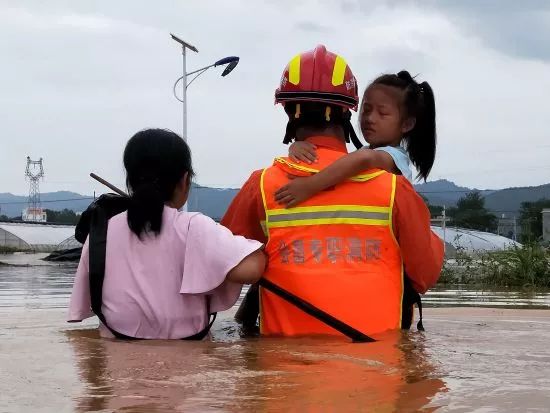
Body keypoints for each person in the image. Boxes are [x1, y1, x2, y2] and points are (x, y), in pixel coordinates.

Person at [221, 45, 444, 338]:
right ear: (348, 112)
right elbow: (423, 276)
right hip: (377, 371)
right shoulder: (393, 186)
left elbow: (220, 261)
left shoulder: (262, 185)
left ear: (288, 112)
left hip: (284, 372)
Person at [68, 128, 266, 339]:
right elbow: (251, 270)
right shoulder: (194, 227)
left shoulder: (100, 234)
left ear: (131, 180)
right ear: (185, 180)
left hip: (115, 364)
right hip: (188, 364)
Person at [275, 70, 436, 208]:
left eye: (382, 113)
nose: (370, 118)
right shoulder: (366, 152)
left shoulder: (393, 157)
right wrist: (297, 145)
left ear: (406, 124)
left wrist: (310, 185)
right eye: (366, 110)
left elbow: (363, 159)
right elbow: (343, 164)